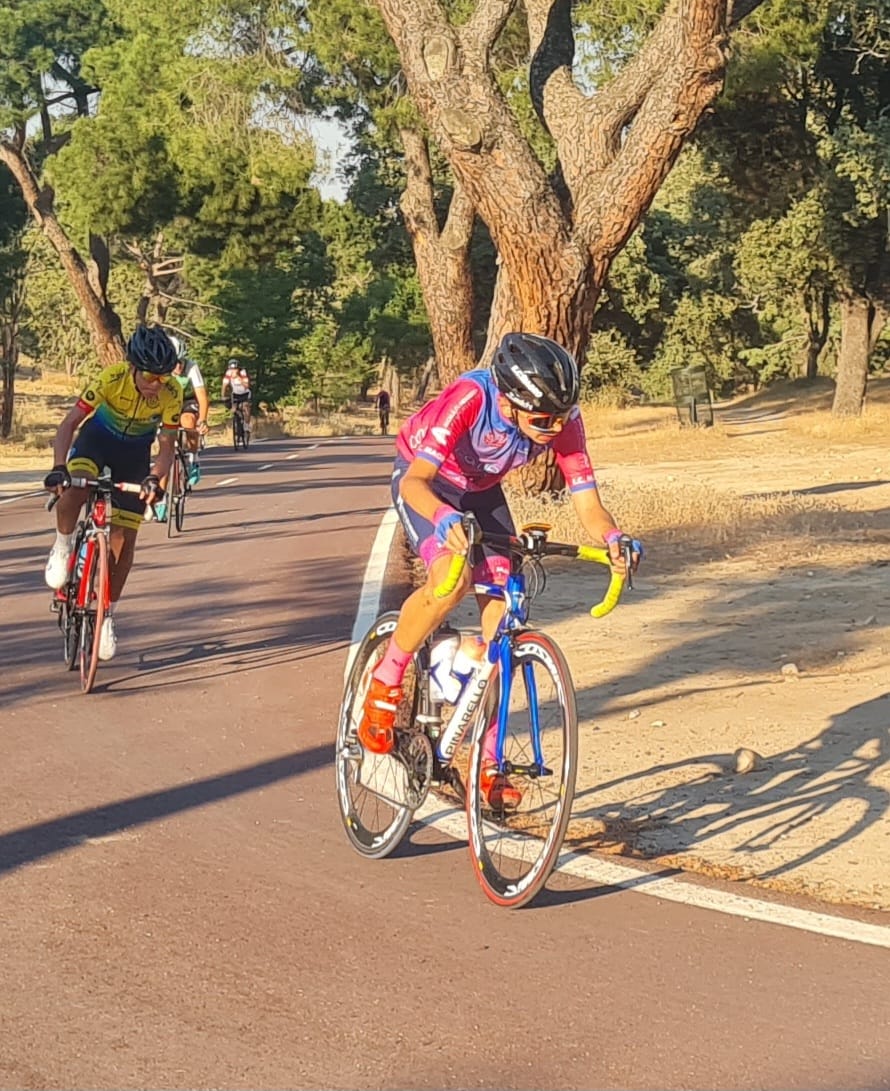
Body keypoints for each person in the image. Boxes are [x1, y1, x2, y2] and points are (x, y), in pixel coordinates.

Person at [358, 332, 642, 807]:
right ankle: (386, 682)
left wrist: (613, 538)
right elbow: (415, 483)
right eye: (541, 420)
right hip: (428, 480)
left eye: (562, 415)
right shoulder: (471, 397)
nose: (553, 429)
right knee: (452, 578)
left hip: (481, 491)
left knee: (505, 617)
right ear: (508, 404)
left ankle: (487, 760)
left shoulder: (563, 420)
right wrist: (444, 518)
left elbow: (588, 504)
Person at [42, 325, 182, 661]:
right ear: (134, 367)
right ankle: (62, 547)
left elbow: (166, 446)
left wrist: (155, 478)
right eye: (150, 375)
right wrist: (59, 465)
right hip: (97, 441)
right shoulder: (111, 378)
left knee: (124, 538)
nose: (156, 384)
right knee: (75, 487)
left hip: (134, 454)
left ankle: (106, 615)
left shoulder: (172, 393)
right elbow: (69, 424)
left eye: (163, 377)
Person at [154, 335, 210, 521]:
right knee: (165, 451)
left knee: (188, 421)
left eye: (180, 362)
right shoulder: (160, 369)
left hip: (187, 402)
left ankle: (193, 458)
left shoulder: (191, 367)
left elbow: (202, 397)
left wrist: (202, 420)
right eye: (173, 362)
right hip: (167, 404)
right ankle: (161, 498)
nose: (177, 367)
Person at [221, 358, 252, 433]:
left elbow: (247, 385)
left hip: (245, 393)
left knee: (246, 407)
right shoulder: (228, 373)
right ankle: (237, 420)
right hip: (235, 394)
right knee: (234, 409)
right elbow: (224, 385)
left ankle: (246, 425)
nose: (233, 371)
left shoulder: (243, 373)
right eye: (231, 369)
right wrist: (223, 395)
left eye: (235, 369)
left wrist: (239, 377)